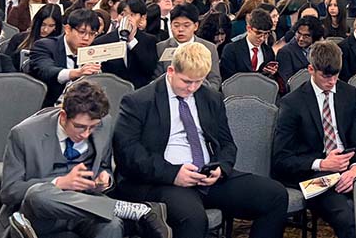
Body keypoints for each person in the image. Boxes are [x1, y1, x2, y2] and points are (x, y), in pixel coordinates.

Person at [113, 42, 288, 238]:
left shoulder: (210, 97)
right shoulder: (139, 101)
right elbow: (128, 155)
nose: (192, 88)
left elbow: (227, 144)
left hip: (207, 176)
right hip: (163, 180)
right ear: (171, 71)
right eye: (187, 81)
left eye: (199, 81)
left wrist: (221, 168)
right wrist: (173, 174)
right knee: (193, 219)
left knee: (275, 195)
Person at [0, 80, 169, 238]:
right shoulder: (24, 134)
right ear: (63, 116)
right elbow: (9, 191)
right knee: (37, 193)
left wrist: (104, 179)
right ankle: (131, 210)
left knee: (112, 224)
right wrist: (60, 182)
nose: (86, 134)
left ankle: (124, 211)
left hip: (86, 208)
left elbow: (103, 166)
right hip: (41, 214)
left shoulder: (104, 123)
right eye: (79, 127)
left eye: (92, 127)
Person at [272, 41, 356, 238]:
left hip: (349, 168)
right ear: (311, 69)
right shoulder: (292, 103)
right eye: (326, 76)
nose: (332, 82)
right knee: (347, 218)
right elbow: (280, 159)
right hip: (311, 175)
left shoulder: (348, 93)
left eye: (336, 75)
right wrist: (321, 163)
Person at [29, 9, 103, 107]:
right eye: (82, 32)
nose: (86, 38)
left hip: (83, 108)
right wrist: (77, 72)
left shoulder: (93, 51)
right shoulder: (44, 46)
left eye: (92, 34)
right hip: (48, 107)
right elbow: (47, 71)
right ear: (67, 29)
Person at [91, 0, 158, 88]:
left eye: (132, 14)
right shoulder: (102, 42)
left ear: (142, 18)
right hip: (112, 91)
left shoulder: (149, 40)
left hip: (140, 91)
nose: (127, 19)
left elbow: (150, 69)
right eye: (122, 14)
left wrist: (131, 41)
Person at [155, 4, 222, 92]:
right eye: (176, 25)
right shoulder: (161, 47)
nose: (181, 29)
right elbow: (157, 79)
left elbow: (214, 79)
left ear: (196, 26)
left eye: (186, 26)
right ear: (170, 25)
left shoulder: (209, 48)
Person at [219, 8, 279, 81]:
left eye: (266, 34)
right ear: (248, 28)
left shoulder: (268, 52)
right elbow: (227, 78)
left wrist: (271, 73)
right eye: (258, 33)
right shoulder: (231, 49)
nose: (262, 38)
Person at [277, 14, 323, 83]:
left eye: (306, 36)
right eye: (299, 33)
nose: (301, 39)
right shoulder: (285, 52)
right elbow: (286, 82)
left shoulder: (321, 50)